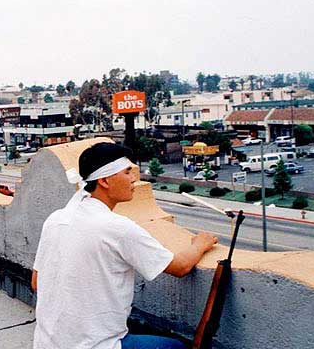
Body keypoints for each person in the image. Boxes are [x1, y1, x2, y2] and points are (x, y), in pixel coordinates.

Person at [32, 142, 218, 349]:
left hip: (47, 343)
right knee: (175, 347)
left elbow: (36, 281)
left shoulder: (56, 218)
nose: (134, 179)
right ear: (104, 180)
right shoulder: (117, 227)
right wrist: (201, 243)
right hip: (96, 346)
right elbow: (180, 267)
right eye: (127, 172)